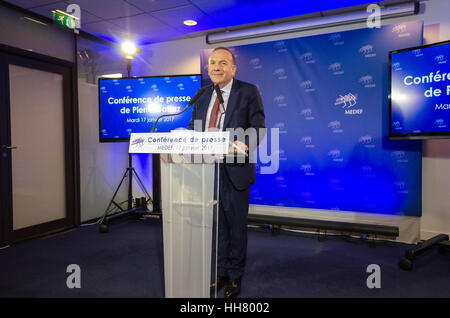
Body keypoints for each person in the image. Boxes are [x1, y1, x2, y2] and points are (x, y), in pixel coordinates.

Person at [187, 47, 266, 298]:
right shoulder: (202, 94)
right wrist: (182, 140)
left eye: (223, 63)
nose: (216, 67)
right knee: (216, 227)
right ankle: (220, 272)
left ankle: (234, 277)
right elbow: (192, 127)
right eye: (212, 63)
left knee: (235, 227)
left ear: (233, 68)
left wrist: (246, 143)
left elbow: (258, 127)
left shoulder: (247, 91)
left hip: (235, 169)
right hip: (207, 171)